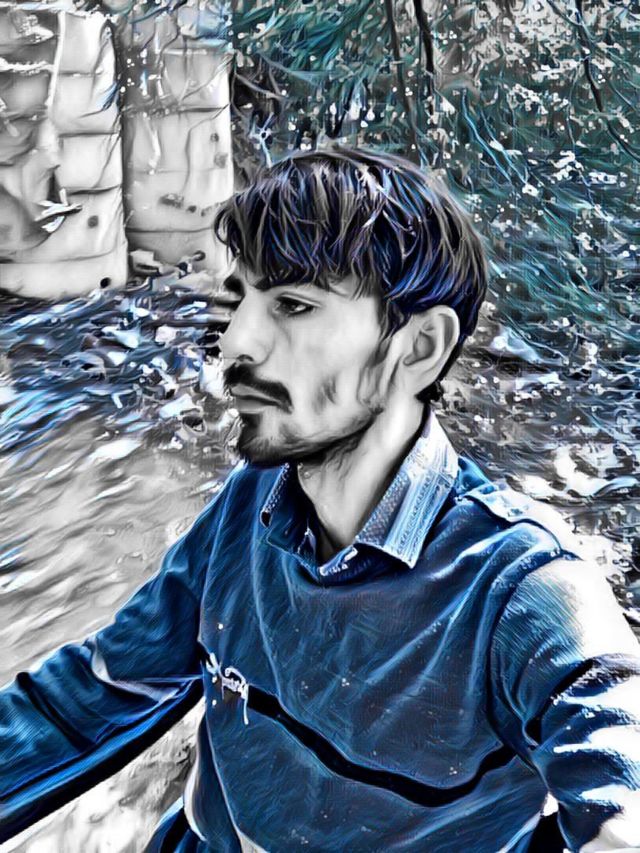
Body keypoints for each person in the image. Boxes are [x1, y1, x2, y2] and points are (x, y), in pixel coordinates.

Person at [1, 148, 639, 853]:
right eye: (239, 300)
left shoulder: (521, 591)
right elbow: (100, 691)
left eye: (294, 305)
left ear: (419, 349)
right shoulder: (249, 508)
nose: (235, 344)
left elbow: (621, 795)